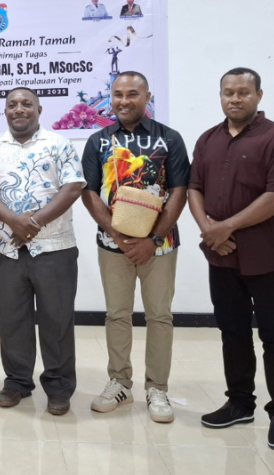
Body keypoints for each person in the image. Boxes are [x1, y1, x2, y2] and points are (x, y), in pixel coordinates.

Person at [187, 67, 274, 450]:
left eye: (243, 92)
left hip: (266, 256)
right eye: (228, 92)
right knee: (232, 332)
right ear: (220, 95)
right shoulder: (207, 139)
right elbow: (194, 188)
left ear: (259, 95)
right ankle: (239, 403)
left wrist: (226, 227)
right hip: (220, 256)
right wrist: (208, 229)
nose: (235, 98)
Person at [81, 71, 189, 424]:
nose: (124, 101)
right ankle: (120, 383)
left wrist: (152, 239)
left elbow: (180, 191)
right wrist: (118, 236)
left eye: (132, 94)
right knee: (117, 314)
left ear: (147, 97)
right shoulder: (98, 141)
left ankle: (157, 388)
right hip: (112, 245)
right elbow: (89, 192)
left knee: (159, 316)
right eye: (117, 94)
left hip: (160, 245)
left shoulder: (169, 139)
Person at [0, 87, 85, 416]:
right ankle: (17, 381)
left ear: (39, 109)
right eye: (12, 104)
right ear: (5, 111)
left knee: (57, 320)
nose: (19, 109)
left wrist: (33, 223)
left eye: (26, 104)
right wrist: (15, 222)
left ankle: (59, 386)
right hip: (5, 250)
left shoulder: (59, 144)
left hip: (54, 248)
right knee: (11, 320)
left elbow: (72, 187)